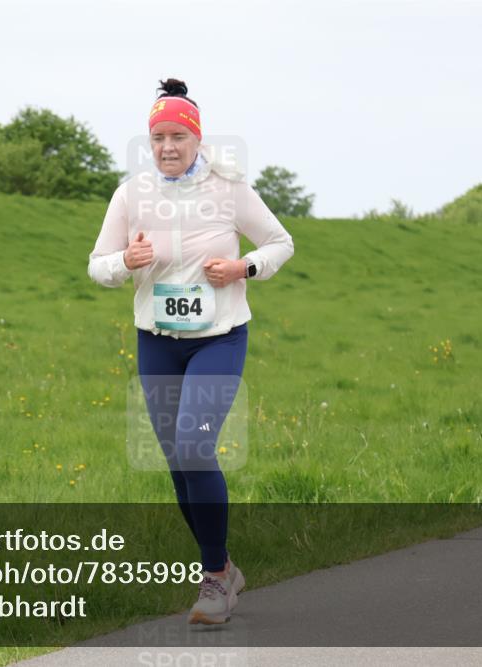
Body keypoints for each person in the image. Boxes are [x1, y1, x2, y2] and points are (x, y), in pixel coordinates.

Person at [87, 77, 295, 624]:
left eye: (178, 136)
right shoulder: (131, 194)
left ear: (197, 139)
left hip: (219, 339)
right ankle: (223, 567)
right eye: (158, 137)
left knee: (195, 448)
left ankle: (213, 582)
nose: (167, 147)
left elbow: (280, 242)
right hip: (156, 343)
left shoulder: (229, 189)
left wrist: (243, 267)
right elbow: (97, 265)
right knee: (178, 464)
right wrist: (125, 262)